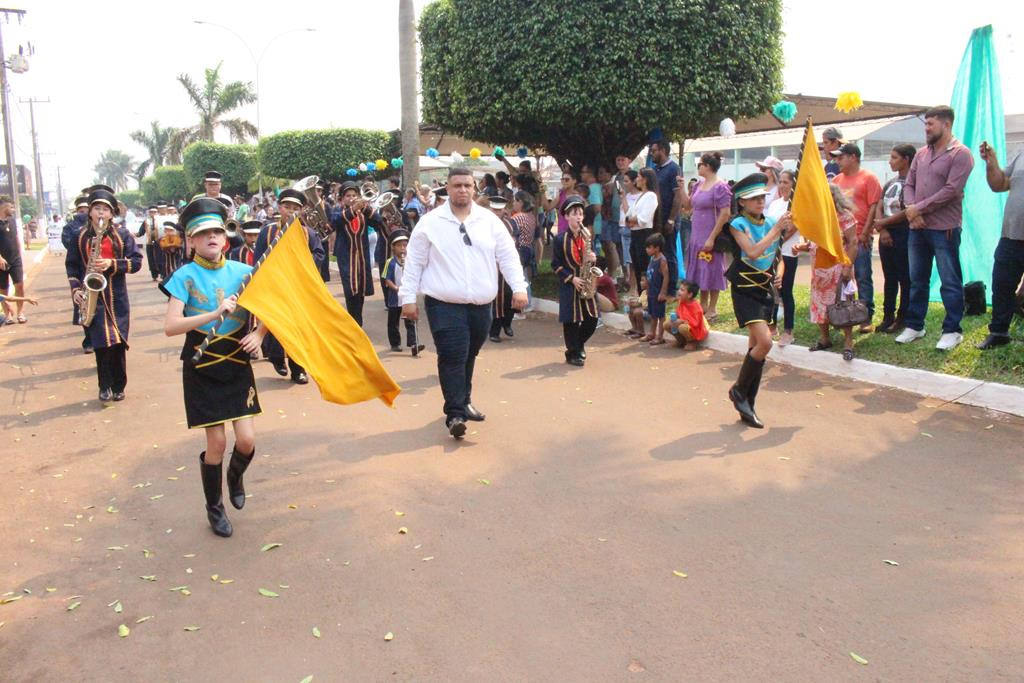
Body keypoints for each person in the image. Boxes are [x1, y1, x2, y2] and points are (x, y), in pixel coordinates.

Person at [161, 197, 267, 538]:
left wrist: (259, 333)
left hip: (236, 359)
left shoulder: (244, 272)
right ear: (190, 240)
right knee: (218, 444)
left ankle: (235, 476)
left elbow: (269, 307)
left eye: (217, 233)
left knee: (247, 440)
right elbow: (171, 326)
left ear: (226, 238)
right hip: (201, 362)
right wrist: (213, 314)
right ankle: (215, 507)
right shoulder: (184, 276)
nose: (211, 238)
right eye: (202, 233)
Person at [399, 167, 527, 438]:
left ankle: (464, 400)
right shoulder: (430, 222)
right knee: (453, 354)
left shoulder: (489, 222)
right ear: (447, 188)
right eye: (457, 185)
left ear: (474, 189)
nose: (462, 190)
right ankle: (455, 413)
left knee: (469, 354)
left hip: (481, 305)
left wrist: (519, 288)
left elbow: (508, 256)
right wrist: (407, 299)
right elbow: (414, 263)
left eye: (467, 185)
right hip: (444, 303)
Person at [898, 105, 975, 350]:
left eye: (931, 124)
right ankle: (915, 325)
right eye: (925, 124)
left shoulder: (960, 154)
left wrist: (918, 209)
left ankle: (953, 330)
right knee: (917, 279)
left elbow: (951, 191)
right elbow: (908, 185)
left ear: (946, 124)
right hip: (917, 228)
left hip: (945, 229)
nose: (926, 128)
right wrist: (912, 210)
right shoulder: (921, 154)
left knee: (950, 280)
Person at [725, 173, 791, 429]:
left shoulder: (771, 221)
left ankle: (748, 405)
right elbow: (752, 252)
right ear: (742, 202)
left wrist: (780, 275)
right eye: (753, 199)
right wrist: (776, 230)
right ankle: (739, 391)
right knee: (765, 342)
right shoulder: (737, 224)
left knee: (756, 349)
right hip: (745, 289)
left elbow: (779, 257)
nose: (760, 202)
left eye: (762, 197)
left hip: (764, 289)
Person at [65, 187, 143, 402]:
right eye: (97, 208)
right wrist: (75, 290)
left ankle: (119, 385)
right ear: (89, 212)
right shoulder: (79, 236)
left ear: (112, 213)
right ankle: (104, 386)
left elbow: (136, 262)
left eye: (105, 209)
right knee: (100, 343)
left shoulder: (123, 235)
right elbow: (71, 266)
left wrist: (111, 263)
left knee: (117, 342)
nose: (101, 213)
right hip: (92, 297)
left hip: (117, 298)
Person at [254, 188, 325, 384]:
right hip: (274, 286)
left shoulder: (308, 233)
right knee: (275, 324)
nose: (290, 211)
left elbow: (319, 255)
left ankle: (298, 368)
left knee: (298, 328)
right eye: (287, 207)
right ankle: (277, 359)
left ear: (301, 211)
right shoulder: (267, 231)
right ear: (279, 207)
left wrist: (303, 261)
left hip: (298, 289)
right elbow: (258, 259)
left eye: (295, 208)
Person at [801, 184, 859, 360]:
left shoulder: (844, 217)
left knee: (844, 305)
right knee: (819, 305)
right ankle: (825, 339)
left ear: (834, 197)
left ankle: (848, 342)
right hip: (819, 270)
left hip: (839, 269)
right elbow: (813, 243)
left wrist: (848, 268)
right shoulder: (816, 218)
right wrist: (802, 247)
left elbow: (853, 243)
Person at [976, 140, 1024, 349]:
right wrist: (991, 161)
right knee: (1002, 284)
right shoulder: (1021, 153)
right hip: (1011, 236)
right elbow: (1000, 184)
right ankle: (999, 332)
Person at [830, 142, 882, 332]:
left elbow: (873, 207)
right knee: (839, 278)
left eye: (841, 157)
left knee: (862, 277)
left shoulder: (869, 178)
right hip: (838, 241)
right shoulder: (835, 180)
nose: (837, 161)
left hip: (859, 238)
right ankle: (841, 315)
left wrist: (866, 233)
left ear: (853, 157)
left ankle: (865, 317)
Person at [679, 152, 730, 322]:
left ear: (707, 166)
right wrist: (680, 188)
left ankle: (713, 308)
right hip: (696, 236)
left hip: (710, 236)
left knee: (713, 270)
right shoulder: (698, 185)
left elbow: (725, 213)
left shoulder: (720, 186)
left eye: (700, 164)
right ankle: (703, 304)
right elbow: (687, 206)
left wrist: (712, 237)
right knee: (700, 271)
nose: (698, 167)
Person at [871, 144, 916, 334]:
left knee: (905, 278)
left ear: (906, 159)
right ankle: (887, 316)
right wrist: (883, 229)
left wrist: (884, 223)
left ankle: (902, 317)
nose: (890, 161)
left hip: (904, 234)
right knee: (890, 278)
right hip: (886, 234)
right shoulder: (890, 183)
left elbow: (909, 211)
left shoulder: (914, 183)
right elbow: (880, 205)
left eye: (894, 157)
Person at [551, 195, 599, 366]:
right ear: (566, 216)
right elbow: (555, 265)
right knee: (571, 322)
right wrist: (571, 279)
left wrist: (594, 258)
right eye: (574, 213)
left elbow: (592, 258)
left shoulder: (587, 236)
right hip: (570, 285)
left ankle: (577, 346)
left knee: (592, 319)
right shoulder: (559, 239)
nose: (578, 217)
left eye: (580, 213)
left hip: (587, 282)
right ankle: (573, 353)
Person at [330, 180, 378, 326]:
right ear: (342, 199)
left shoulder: (363, 211)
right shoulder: (338, 211)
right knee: (350, 291)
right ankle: (355, 323)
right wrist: (353, 209)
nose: (351, 198)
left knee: (361, 291)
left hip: (362, 258)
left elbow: (378, 222)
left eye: (354, 195)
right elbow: (335, 222)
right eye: (348, 196)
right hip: (347, 258)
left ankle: (357, 322)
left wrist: (366, 208)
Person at [767, 170, 799, 346]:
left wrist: (774, 241)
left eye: (786, 182)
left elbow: (791, 229)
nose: (782, 185)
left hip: (787, 253)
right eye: (781, 182)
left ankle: (788, 331)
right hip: (771, 253)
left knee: (786, 291)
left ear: (794, 184)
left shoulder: (797, 205)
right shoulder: (775, 204)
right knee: (772, 291)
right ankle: (772, 326)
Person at [382, 229, 424, 356]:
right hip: (395, 297)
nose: (402, 248)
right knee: (393, 322)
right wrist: (395, 287)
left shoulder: (411, 261)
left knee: (410, 320)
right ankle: (395, 343)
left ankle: (414, 344)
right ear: (393, 247)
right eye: (399, 245)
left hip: (407, 297)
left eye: (405, 245)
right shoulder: (391, 262)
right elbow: (386, 278)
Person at [621, 168, 660, 294]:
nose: (636, 179)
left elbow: (644, 218)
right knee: (637, 267)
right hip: (635, 234)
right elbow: (629, 214)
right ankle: (640, 295)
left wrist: (632, 220)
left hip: (644, 234)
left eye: (638, 176)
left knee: (644, 267)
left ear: (645, 179)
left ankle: (648, 296)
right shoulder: (641, 196)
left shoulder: (651, 196)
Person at [649, 141, 680, 291]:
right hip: (657, 221)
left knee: (669, 254)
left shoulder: (674, 169)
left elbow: (677, 196)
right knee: (658, 253)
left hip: (668, 220)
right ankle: (659, 285)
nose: (651, 153)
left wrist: (671, 219)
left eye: (654, 151)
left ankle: (672, 288)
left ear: (662, 150)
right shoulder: (654, 170)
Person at [487, 195, 518, 342]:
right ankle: (494, 331)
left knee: (510, 297)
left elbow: (514, 245)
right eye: (494, 210)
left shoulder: (510, 225)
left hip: (507, 267)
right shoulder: (483, 225)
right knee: (495, 301)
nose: (496, 213)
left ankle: (507, 323)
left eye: (499, 210)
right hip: (490, 268)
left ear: (504, 210)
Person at [640, 232, 669, 344]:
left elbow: (666, 277)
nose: (647, 249)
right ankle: (652, 333)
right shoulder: (652, 258)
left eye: (649, 247)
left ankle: (660, 336)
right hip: (651, 291)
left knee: (660, 316)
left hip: (658, 292)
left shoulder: (662, 260)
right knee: (653, 314)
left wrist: (663, 292)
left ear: (657, 248)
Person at [669, 280, 709, 350]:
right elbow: (678, 313)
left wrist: (681, 321)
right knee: (667, 324)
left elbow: (695, 324)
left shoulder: (696, 307)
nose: (678, 291)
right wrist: (675, 319)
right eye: (679, 289)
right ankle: (680, 341)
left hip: (696, 330)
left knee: (682, 327)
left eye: (682, 290)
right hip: (685, 325)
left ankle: (692, 342)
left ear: (689, 295)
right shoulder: (682, 302)